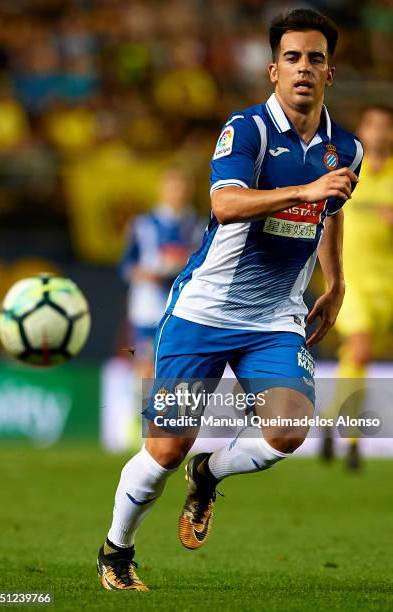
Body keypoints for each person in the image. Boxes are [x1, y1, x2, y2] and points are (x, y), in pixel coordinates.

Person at [97, 9, 363, 592]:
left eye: (315, 59)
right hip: (204, 309)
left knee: (288, 431)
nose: (303, 69)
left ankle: (209, 475)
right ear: (273, 70)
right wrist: (305, 190)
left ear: (330, 72)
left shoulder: (347, 148)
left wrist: (336, 281)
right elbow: (225, 206)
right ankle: (117, 549)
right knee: (165, 448)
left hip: (275, 317)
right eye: (292, 58)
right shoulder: (246, 130)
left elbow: (332, 211)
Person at [320, 105, 393, 469]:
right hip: (350, 284)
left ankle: (331, 420)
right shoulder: (347, 173)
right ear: (363, 130)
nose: (379, 133)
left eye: (385, 127)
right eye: (372, 125)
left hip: (387, 288)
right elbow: (323, 215)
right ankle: (350, 438)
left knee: (355, 356)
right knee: (361, 348)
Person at [120, 166, 205, 379]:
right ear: (162, 189)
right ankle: (141, 411)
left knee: (181, 367)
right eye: (173, 186)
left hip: (185, 308)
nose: (178, 192)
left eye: (183, 187)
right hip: (148, 308)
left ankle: (173, 412)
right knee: (146, 365)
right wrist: (148, 274)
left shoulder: (200, 226)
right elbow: (127, 266)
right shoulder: (142, 224)